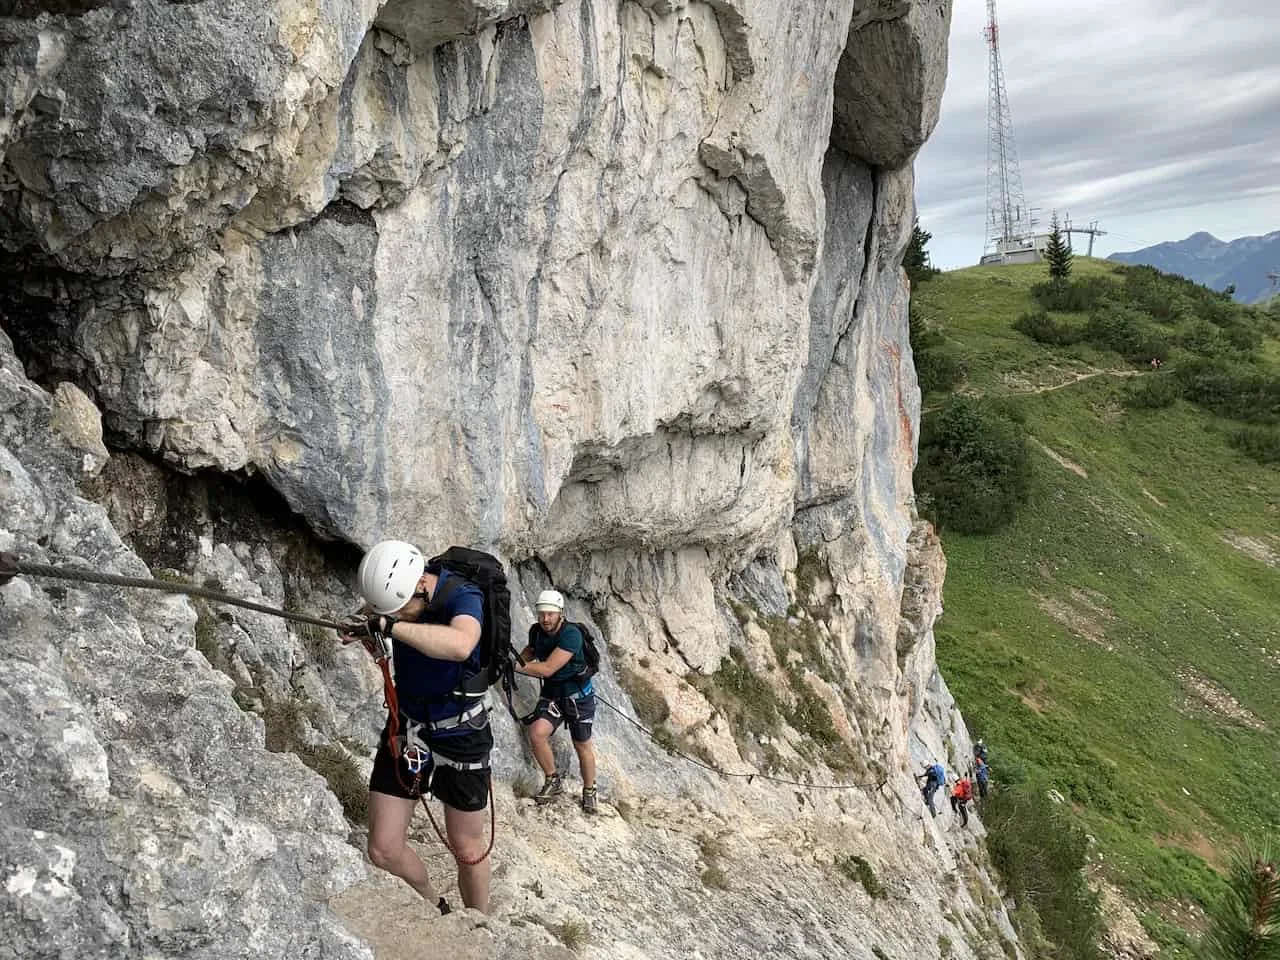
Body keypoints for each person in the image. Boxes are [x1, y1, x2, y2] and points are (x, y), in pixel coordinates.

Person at [341, 540, 494, 914]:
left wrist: (391, 626)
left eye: (399, 608)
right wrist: (365, 624)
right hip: (407, 727)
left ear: (422, 587)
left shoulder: (464, 596)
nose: (396, 615)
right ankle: (436, 905)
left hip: (461, 734)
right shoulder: (405, 599)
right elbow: (384, 614)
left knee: (467, 848)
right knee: (383, 849)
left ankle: (481, 926)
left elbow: (461, 644)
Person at [515, 589, 599, 814]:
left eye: (550, 614)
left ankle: (589, 790)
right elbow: (531, 650)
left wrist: (513, 666)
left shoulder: (571, 635)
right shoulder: (537, 631)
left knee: (582, 745)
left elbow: (547, 668)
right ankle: (553, 780)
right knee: (537, 733)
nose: (545, 619)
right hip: (553, 695)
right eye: (542, 613)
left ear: (560, 613)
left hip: (577, 698)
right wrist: (516, 658)